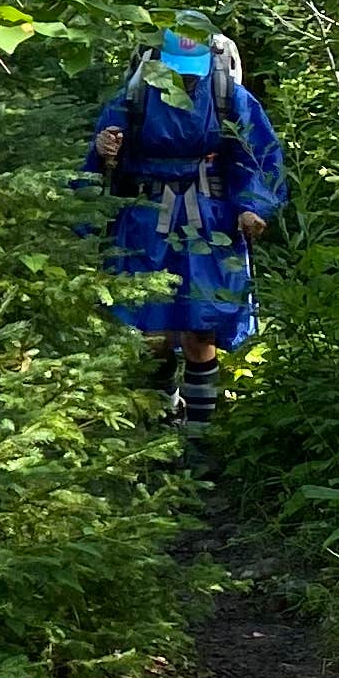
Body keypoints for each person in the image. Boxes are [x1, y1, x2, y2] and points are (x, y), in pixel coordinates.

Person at [88, 24, 287, 427]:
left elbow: (258, 156)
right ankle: (163, 417)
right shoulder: (135, 94)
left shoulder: (228, 95)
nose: (184, 77)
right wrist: (103, 148)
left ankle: (200, 434)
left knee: (201, 327)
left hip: (209, 218)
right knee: (152, 332)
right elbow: (100, 160)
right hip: (146, 217)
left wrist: (253, 207)